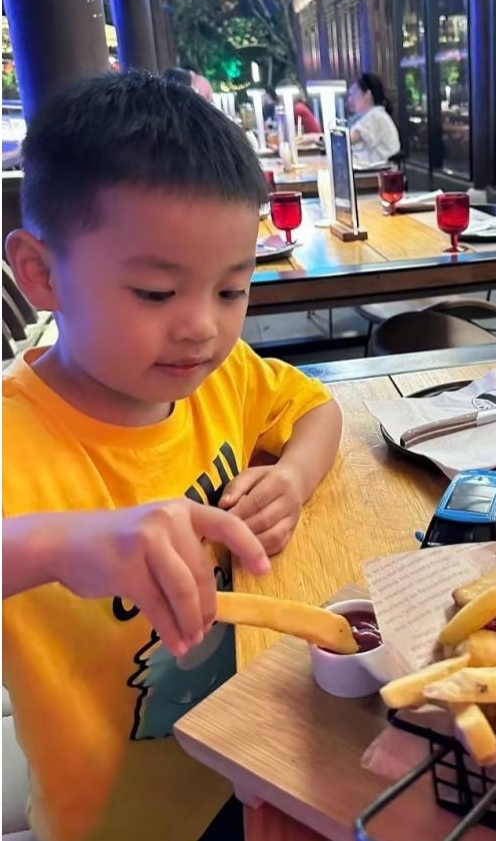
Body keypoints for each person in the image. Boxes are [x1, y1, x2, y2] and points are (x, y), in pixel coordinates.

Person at [2, 70, 343, 841]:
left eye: (230, 290)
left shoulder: (219, 379)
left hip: (258, 762)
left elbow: (317, 409)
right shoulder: (14, 439)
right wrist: (61, 543)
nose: (202, 328)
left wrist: (291, 477)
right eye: (157, 293)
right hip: (123, 823)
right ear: (42, 274)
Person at [347, 72, 400, 168]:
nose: (350, 100)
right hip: (372, 169)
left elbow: (345, 140)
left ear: (367, 94)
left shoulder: (375, 116)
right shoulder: (374, 115)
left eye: (353, 94)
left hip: (376, 171)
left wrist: (319, 139)